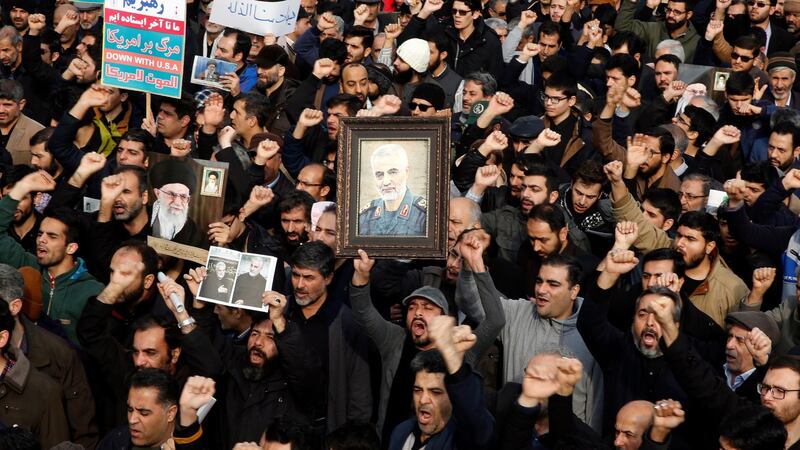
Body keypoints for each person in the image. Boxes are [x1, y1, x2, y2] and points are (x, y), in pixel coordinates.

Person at [358, 143, 427, 236]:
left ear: (406, 172)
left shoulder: (425, 215)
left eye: (393, 172)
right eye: (379, 174)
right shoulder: (364, 217)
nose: (386, 182)